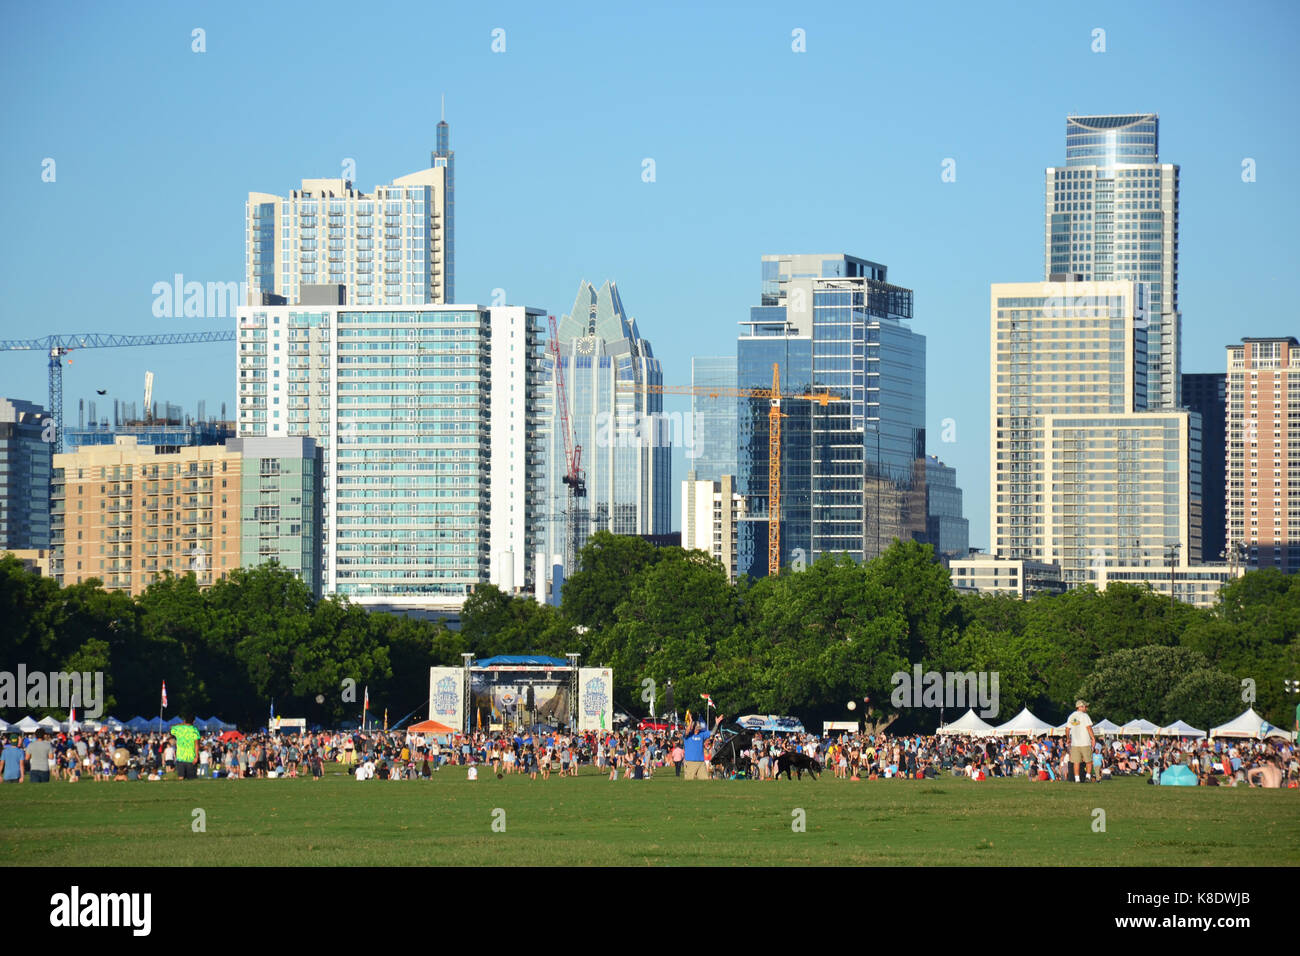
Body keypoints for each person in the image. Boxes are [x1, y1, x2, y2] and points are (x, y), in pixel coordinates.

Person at [1064, 700, 1095, 784]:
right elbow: (1089, 728)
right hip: (1085, 742)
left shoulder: (1071, 716)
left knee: (1076, 762)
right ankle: (1088, 776)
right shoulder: (1085, 716)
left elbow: (1067, 729)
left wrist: (1068, 738)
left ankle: (1077, 779)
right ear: (1080, 707)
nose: (1086, 708)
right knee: (1088, 761)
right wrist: (1093, 738)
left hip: (1075, 743)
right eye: (1085, 706)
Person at [171, 716, 200, 781]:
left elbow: (171, 727)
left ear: (184, 721)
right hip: (191, 757)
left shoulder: (178, 729)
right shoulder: (194, 730)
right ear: (193, 721)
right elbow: (196, 744)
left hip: (180, 757)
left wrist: (182, 724)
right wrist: (196, 756)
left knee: (181, 778)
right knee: (191, 779)